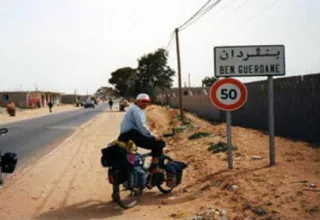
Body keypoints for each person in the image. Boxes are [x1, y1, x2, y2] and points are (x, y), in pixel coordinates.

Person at [118, 93, 165, 173]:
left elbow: (139, 128)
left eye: (147, 101)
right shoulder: (137, 110)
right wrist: (152, 135)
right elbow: (141, 126)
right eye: (143, 101)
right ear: (137, 101)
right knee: (159, 143)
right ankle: (153, 167)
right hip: (131, 136)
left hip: (125, 136)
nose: (145, 103)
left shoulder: (134, 109)